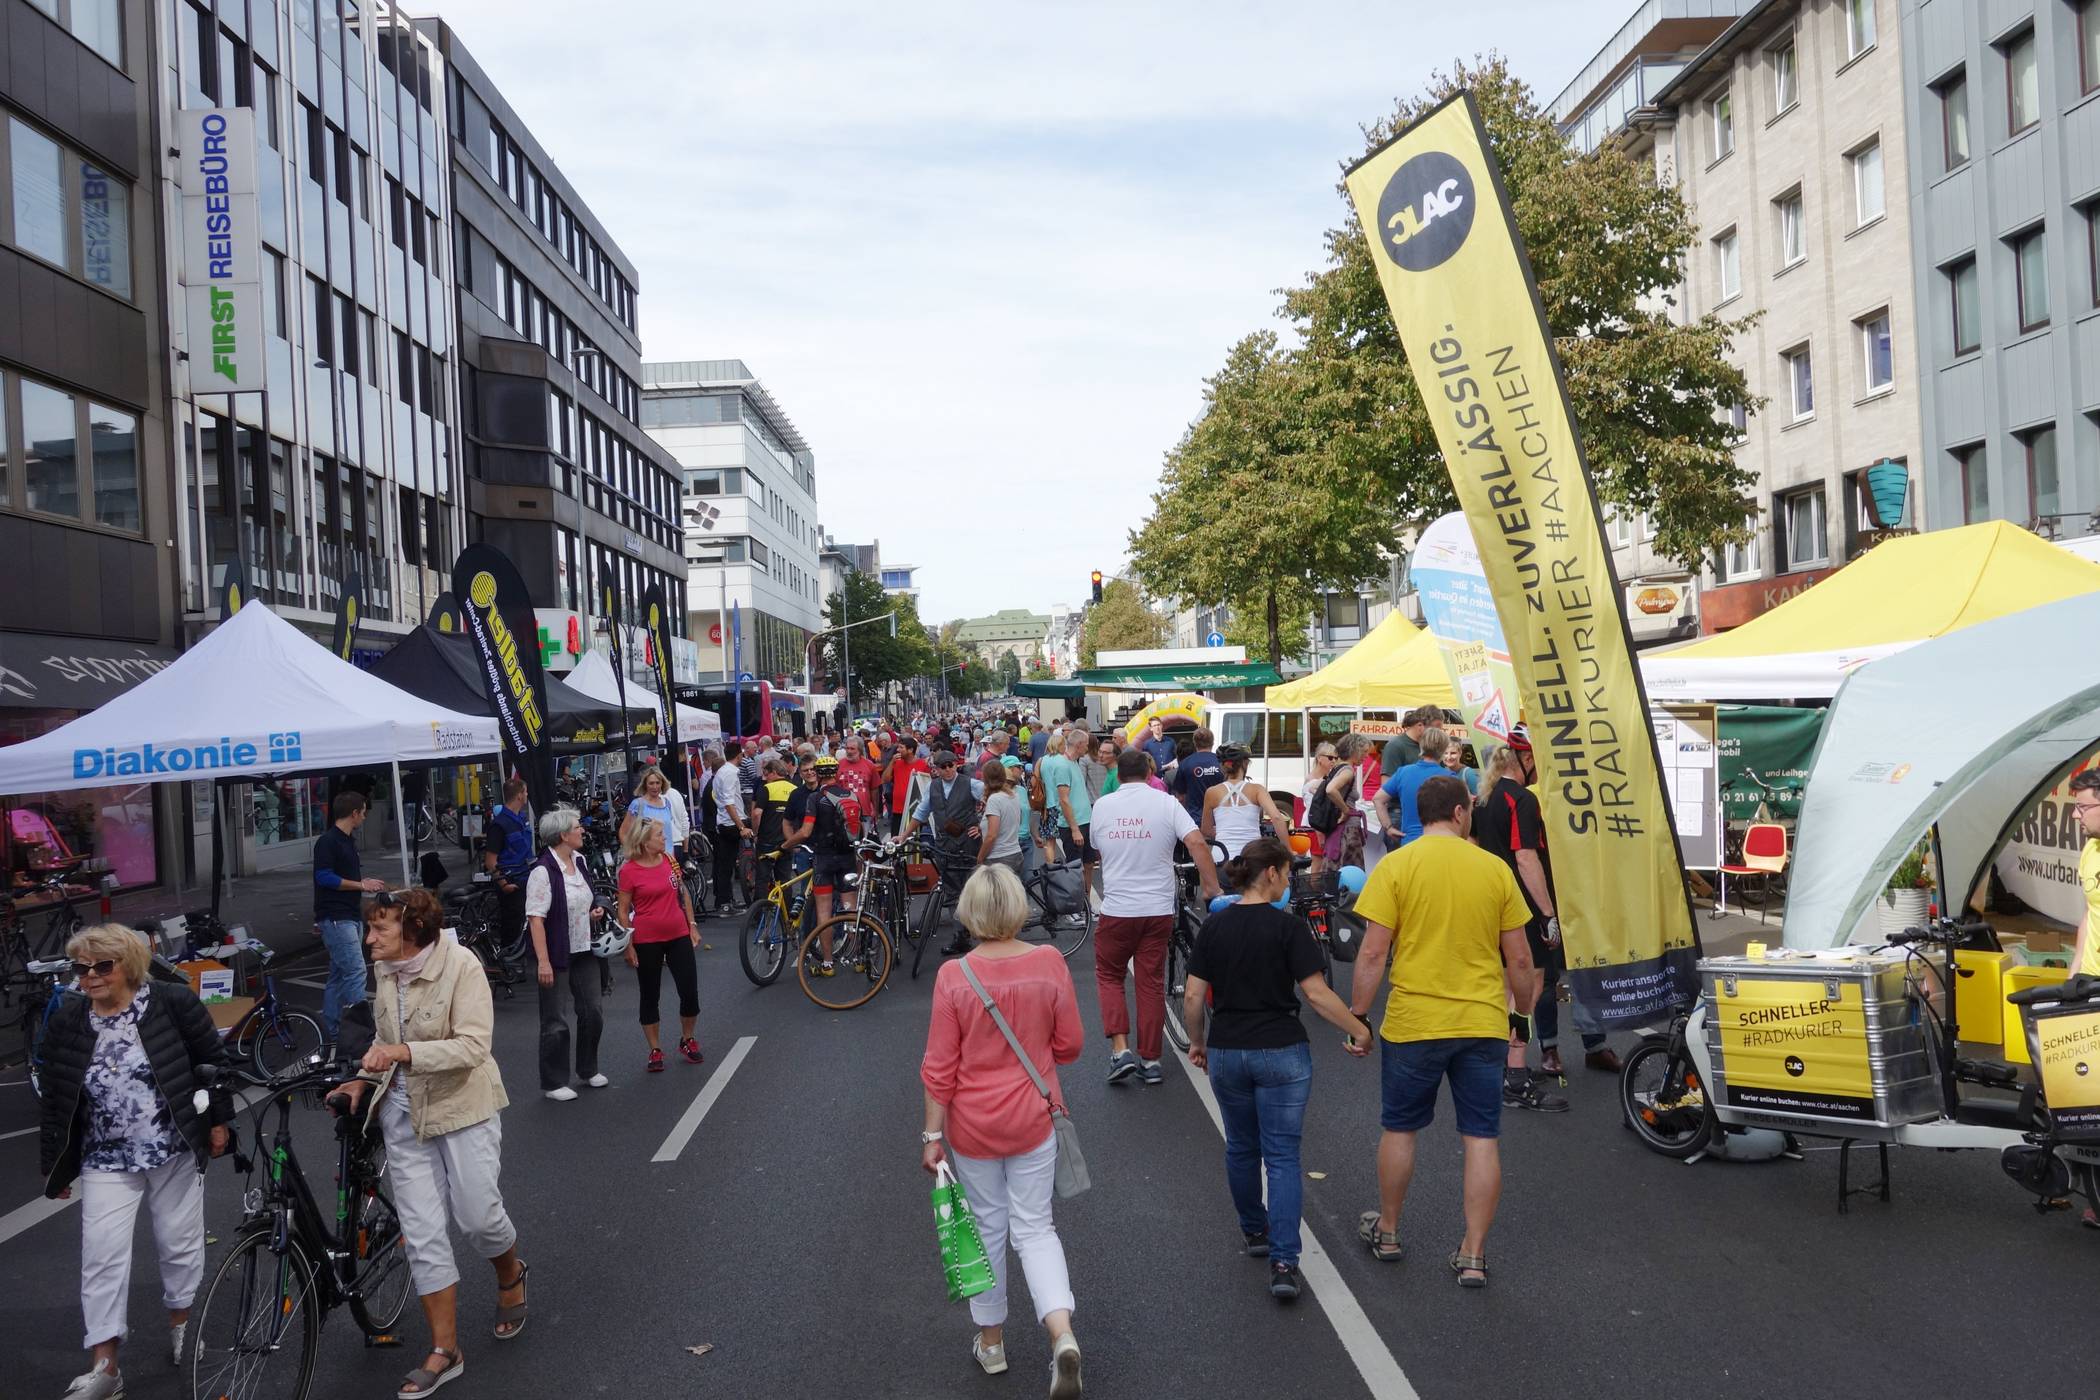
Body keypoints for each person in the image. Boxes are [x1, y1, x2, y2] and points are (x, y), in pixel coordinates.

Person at [1345, 775, 1537, 1286]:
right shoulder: (1493, 869)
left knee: (1401, 1128)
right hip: (1481, 1022)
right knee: (1481, 1137)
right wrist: (1522, 1014)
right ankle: (1472, 1255)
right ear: (1457, 812)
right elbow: (1519, 956)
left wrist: (1358, 1017)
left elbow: (1372, 952)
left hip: (1415, 1022)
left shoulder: (1397, 866)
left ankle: (1387, 1231)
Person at [343, 888, 529, 1397]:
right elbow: (380, 1040)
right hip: (403, 1117)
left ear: (414, 931)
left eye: (380, 928)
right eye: (370, 926)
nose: (370, 938)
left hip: (462, 1109)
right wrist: (362, 1076)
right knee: (423, 1233)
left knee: (478, 1216)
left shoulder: (462, 966)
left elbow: (473, 1046)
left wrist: (402, 1052)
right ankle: (445, 1349)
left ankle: (510, 1275)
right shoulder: (383, 969)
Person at [40, 924, 232, 1400]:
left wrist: (218, 1122)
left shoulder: (171, 1002)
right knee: (101, 1255)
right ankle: (105, 1368)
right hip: (105, 1155)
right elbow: (58, 1092)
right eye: (81, 968)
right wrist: (55, 1165)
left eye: (102, 966)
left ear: (128, 964)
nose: (90, 977)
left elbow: (212, 1061)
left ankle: (183, 1327)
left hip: (173, 1145)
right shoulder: (69, 1018)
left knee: (178, 1241)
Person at [919, 865, 1085, 1397]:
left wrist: (931, 1136)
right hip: (1034, 1117)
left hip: (973, 1128)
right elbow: (1071, 1046)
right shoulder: (1049, 964)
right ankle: (1061, 1333)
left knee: (987, 1227)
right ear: (1018, 908)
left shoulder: (954, 976)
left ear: (969, 912)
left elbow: (939, 1067)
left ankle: (991, 1343)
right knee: (1036, 1228)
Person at [1183, 839, 1372, 1300]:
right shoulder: (1289, 930)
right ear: (1269, 874)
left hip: (1229, 1048)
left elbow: (1191, 996)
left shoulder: (1215, 927)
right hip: (1282, 1050)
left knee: (1242, 1148)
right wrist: (1359, 1029)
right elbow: (1317, 994)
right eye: (1287, 873)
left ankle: (1255, 1232)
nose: (1289, 881)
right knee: (1283, 1157)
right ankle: (1285, 1261)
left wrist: (1199, 1042)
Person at [1474, 734, 1607, 1090]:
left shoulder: (1484, 798)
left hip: (1492, 901)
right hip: (1523, 907)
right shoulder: (1520, 800)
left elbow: (1472, 847)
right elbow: (1525, 856)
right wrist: (1548, 912)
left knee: (1503, 987)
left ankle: (1500, 1064)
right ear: (1527, 758)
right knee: (1528, 986)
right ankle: (1514, 1068)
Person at [1091, 748, 1221, 1084]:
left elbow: (1098, 848)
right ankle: (1150, 1061)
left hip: (1118, 908)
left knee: (1109, 976)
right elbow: (1196, 842)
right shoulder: (1166, 804)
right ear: (1150, 774)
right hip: (1157, 908)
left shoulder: (1103, 806)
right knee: (1150, 984)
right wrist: (1211, 888)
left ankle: (1120, 1051)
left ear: (1118, 774)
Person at [527, 808, 607, 1102]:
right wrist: (543, 962)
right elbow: (536, 919)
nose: (582, 830)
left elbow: (587, 897)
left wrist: (595, 910)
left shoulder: (580, 861)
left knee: (593, 1012)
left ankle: (587, 1069)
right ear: (563, 835)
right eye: (577, 827)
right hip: (557, 951)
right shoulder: (542, 871)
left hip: (584, 947)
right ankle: (554, 1081)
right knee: (555, 1019)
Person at [619, 815, 704, 1071]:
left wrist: (692, 925)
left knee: (689, 991)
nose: (664, 838)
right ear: (645, 842)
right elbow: (623, 911)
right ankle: (654, 1049)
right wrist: (628, 945)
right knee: (650, 994)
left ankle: (687, 1039)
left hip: (678, 933)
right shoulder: (629, 871)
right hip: (647, 939)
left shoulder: (669, 859)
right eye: (659, 835)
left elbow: (682, 893)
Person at [314, 790, 386, 1044]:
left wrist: (364, 886)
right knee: (356, 971)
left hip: (348, 915)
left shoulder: (347, 841)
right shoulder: (328, 841)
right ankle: (361, 1031)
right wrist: (361, 885)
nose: (364, 817)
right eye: (363, 812)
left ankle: (331, 1031)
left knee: (338, 974)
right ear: (354, 813)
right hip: (336, 917)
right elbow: (323, 877)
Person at [902, 749, 983, 958]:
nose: (948, 770)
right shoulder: (933, 786)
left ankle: (981, 932)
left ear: (956, 765)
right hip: (944, 845)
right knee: (951, 892)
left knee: (971, 889)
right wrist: (903, 837)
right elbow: (921, 813)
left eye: (951, 765)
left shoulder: (971, 784)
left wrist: (982, 824)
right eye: (943, 766)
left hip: (968, 844)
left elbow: (995, 798)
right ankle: (960, 937)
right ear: (936, 769)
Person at [802, 754, 863, 972]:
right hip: (847, 857)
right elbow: (859, 829)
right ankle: (857, 959)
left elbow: (806, 830)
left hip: (824, 859)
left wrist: (788, 844)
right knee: (849, 908)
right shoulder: (850, 794)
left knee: (824, 912)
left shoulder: (815, 799)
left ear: (818, 774)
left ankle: (828, 963)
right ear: (836, 773)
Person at [1202, 746, 1291, 862]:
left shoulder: (1211, 792)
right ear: (1245, 764)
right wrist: (1288, 850)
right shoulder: (1257, 790)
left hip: (1222, 857)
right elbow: (1277, 818)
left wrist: (1225, 832)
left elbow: (1206, 830)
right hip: (1251, 858)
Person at [1376, 727, 1455, 850]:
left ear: (1421, 746)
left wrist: (1388, 827)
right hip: (1440, 844)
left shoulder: (1403, 772)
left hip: (1409, 843)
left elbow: (1378, 799)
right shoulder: (1450, 778)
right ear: (1444, 748)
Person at [485, 778, 536, 968]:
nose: (527, 795)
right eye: (526, 792)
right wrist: (504, 885)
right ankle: (509, 966)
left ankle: (521, 960)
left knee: (524, 922)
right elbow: (490, 861)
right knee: (512, 926)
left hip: (525, 879)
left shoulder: (520, 820)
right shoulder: (500, 825)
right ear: (520, 795)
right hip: (511, 884)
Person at [1040, 728, 1094, 864]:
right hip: (1073, 824)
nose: (1088, 747)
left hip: (1085, 820)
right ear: (1079, 745)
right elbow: (1064, 799)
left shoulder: (1074, 761)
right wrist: (1074, 829)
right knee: (1075, 867)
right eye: (1086, 744)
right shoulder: (1062, 765)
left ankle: (1086, 887)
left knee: (1088, 863)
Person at [711, 740, 753, 916]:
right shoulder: (729, 773)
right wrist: (741, 826)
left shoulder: (723, 771)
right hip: (731, 823)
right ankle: (725, 902)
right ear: (739, 755)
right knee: (727, 864)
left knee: (725, 864)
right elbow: (729, 803)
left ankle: (725, 900)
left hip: (726, 821)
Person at [619, 765, 689, 854]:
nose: (655, 787)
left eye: (657, 783)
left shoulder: (666, 803)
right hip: (647, 858)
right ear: (645, 784)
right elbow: (623, 832)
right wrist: (633, 853)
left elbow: (668, 833)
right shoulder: (638, 804)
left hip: (668, 857)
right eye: (651, 783)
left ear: (662, 783)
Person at [977, 760, 1026, 881]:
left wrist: (980, 857)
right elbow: (1018, 822)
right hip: (1015, 853)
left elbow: (992, 835)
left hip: (998, 857)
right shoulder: (1014, 796)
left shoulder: (994, 799)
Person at [1171, 727, 1225, 823]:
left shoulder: (1185, 764)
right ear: (1212, 742)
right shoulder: (1221, 762)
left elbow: (1180, 797)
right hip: (1219, 818)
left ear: (1195, 743)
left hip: (1194, 819)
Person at [1379, 705, 1437, 775]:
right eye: (1433, 728)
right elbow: (1387, 782)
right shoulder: (1394, 746)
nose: (1436, 732)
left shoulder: (1431, 745)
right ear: (1420, 725)